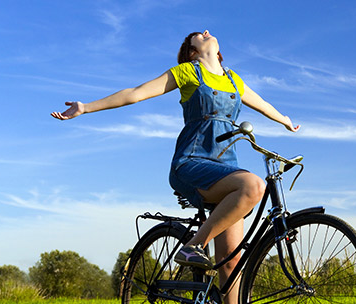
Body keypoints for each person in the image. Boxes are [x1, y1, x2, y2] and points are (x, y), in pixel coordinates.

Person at [51, 30, 299, 304]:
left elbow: (262, 104)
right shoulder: (186, 73)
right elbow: (135, 94)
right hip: (192, 163)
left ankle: (201, 254)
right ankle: (193, 246)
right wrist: (85, 107)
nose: (206, 32)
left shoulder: (234, 80)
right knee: (253, 186)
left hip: (227, 170)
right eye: (198, 35)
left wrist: (285, 120)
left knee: (231, 261)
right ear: (191, 51)